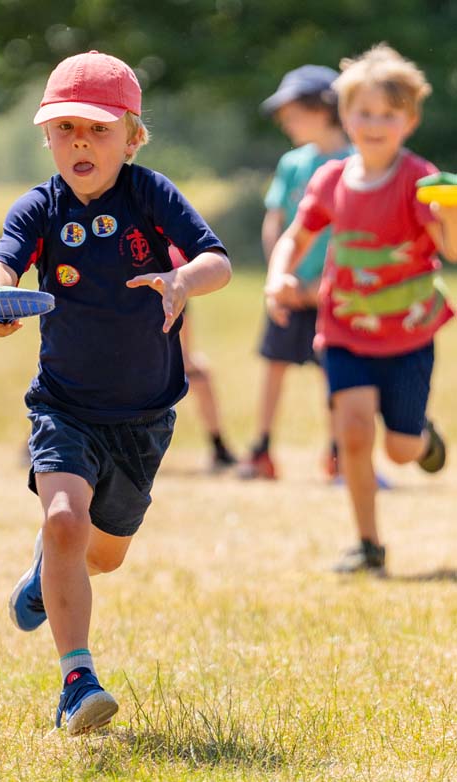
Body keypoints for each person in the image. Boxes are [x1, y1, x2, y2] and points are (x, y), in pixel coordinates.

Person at [0, 50, 231, 734]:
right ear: (48, 139)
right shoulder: (40, 205)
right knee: (63, 519)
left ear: (131, 136)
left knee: (102, 552)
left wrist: (182, 281)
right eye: (64, 129)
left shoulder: (151, 196)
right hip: (64, 406)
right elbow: (2, 259)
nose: (80, 142)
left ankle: (43, 578)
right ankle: (76, 680)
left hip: (145, 418)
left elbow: (217, 260)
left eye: (97, 128)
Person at [265, 43, 457, 574]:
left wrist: (451, 215)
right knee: (352, 431)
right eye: (363, 112)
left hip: (408, 334)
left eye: (388, 115)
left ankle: (420, 438)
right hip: (345, 329)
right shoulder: (329, 179)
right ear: (343, 116)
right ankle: (368, 544)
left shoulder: (420, 179)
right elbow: (295, 237)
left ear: (409, 120)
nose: (374, 123)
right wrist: (279, 275)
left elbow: (451, 250)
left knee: (397, 449)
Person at [239, 65, 351, 480]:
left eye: (293, 113)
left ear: (324, 109)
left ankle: (340, 455)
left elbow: (353, 233)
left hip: (333, 292)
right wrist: (278, 275)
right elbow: (277, 220)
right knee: (274, 364)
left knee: (337, 373)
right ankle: (261, 450)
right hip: (288, 289)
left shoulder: (354, 162)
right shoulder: (292, 163)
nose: (285, 123)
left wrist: (326, 283)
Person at [169, 246, 236, 472]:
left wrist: (185, 357)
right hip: (136, 355)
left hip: (163, 351)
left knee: (201, 376)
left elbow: (183, 314)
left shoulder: (175, 263)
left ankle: (219, 447)